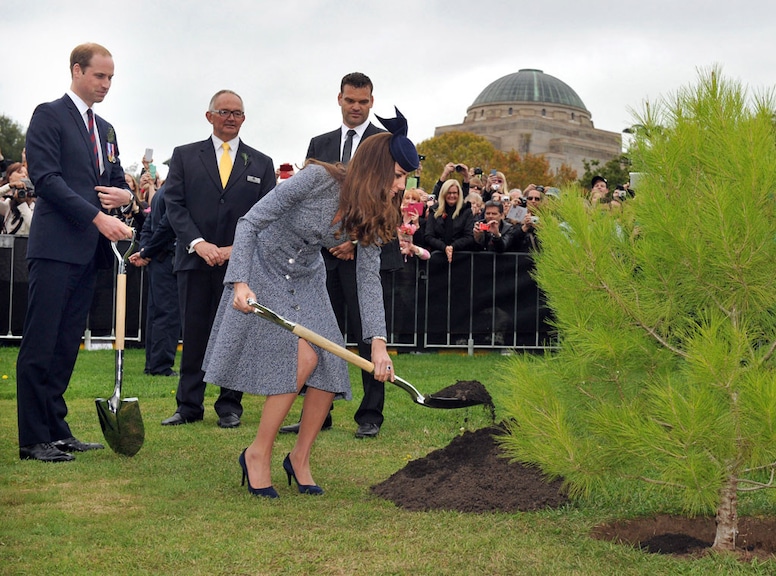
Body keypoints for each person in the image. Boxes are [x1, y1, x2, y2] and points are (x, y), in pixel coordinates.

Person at [203, 109, 419, 497]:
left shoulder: (375, 209)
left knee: (331, 360)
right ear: (376, 167)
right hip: (263, 266)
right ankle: (257, 453)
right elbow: (249, 223)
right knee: (303, 358)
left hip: (306, 277)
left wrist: (379, 346)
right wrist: (240, 282)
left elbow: (368, 279)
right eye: (399, 175)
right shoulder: (317, 179)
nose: (401, 186)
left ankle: (299, 458)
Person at [16, 42, 134, 462]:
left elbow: (115, 179)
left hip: (88, 253)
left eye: (111, 78)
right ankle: (32, 438)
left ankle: (56, 428)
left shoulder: (105, 129)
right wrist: (97, 219)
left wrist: (126, 195)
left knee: (66, 344)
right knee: (41, 342)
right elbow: (47, 179)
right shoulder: (48, 115)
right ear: (77, 70)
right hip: (55, 248)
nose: (105, 84)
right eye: (99, 76)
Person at [281, 71, 398, 439]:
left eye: (363, 102)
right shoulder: (321, 142)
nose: (356, 107)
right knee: (316, 332)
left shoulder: (386, 144)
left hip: (365, 249)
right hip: (321, 258)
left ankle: (370, 415)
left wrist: (356, 239)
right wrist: (329, 241)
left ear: (372, 102)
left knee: (368, 331)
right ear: (340, 99)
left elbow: (392, 197)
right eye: (350, 100)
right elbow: (309, 199)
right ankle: (319, 411)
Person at [161, 89, 276, 429]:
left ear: (244, 118)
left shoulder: (261, 163)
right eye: (223, 111)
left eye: (237, 113)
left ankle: (230, 406)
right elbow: (174, 205)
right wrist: (198, 243)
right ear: (209, 116)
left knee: (235, 334)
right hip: (195, 261)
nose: (230, 117)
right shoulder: (184, 156)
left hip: (240, 267)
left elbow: (267, 213)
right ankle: (188, 406)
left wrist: (235, 249)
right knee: (194, 333)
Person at [129, 183, 180, 377]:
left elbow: (150, 226)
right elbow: (166, 225)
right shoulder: (175, 191)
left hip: (157, 259)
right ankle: (160, 366)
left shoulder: (161, 193)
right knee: (167, 313)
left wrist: (145, 250)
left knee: (157, 313)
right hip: (167, 258)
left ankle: (153, 364)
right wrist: (147, 251)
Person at [424, 179, 475, 263]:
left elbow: (469, 236)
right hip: (437, 257)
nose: (452, 195)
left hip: (461, 258)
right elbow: (428, 236)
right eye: (449, 193)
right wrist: (444, 247)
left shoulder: (466, 210)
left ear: (459, 194)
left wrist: (453, 247)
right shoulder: (434, 210)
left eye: (454, 193)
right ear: (443, 194)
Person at [0, 162, 35, 235]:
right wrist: (9, 186)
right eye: (20, 172)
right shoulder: (8, 205)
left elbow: (34, 227)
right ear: (10, 176)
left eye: (26, 174)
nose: (24, 175)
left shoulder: (35, 205)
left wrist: (23, 204)